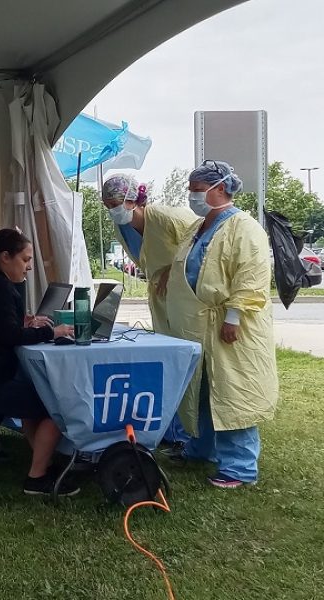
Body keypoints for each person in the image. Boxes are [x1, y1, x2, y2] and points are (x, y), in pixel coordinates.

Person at [118, 160, 277, 488]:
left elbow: (251, 277)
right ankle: (201, 448)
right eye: (190, 190)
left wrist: (234, 316)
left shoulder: (244, 228)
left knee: (232, 391)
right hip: (197, 323)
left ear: (222, 189)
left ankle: (239, 467)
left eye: (199, 190)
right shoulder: (199, 226)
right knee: (202, 389)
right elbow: (182, 263)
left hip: (229, 324)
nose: (192, 196)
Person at [0, 229, 79, 496]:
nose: (29, 266)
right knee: (55, 407)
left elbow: (0, 327)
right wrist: (52, 332)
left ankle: (43, 461)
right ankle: (37, 478)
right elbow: (10, 336)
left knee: (35, 405)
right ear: (5, 257)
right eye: (25, 260)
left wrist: (25, 321)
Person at [101, 174, 199, 448]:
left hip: (187, 299)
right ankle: (175, 432)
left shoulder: (166, 217)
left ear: (134, 199)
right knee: (171, 363)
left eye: (116, 202)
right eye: (107, 204)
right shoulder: (123, 227)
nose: (112, 209)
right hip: (162, 297)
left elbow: (202, 244)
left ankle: (190, 435)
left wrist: (174, 270)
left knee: (188, 363)